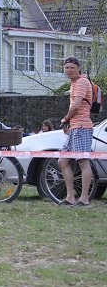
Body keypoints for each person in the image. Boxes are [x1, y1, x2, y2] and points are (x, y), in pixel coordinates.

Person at [58, 56, 94, 206]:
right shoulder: (74, 83)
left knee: (83, 162)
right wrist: (68, 124)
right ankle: (70, 197)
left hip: (82, 127)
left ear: (79, 68)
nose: (69, 70)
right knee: (62, 161)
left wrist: (65, 119)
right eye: (67, 67)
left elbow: (76, 106)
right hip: (75, 127)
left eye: (72, 67)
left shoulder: (81, 82)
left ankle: (84, 198)